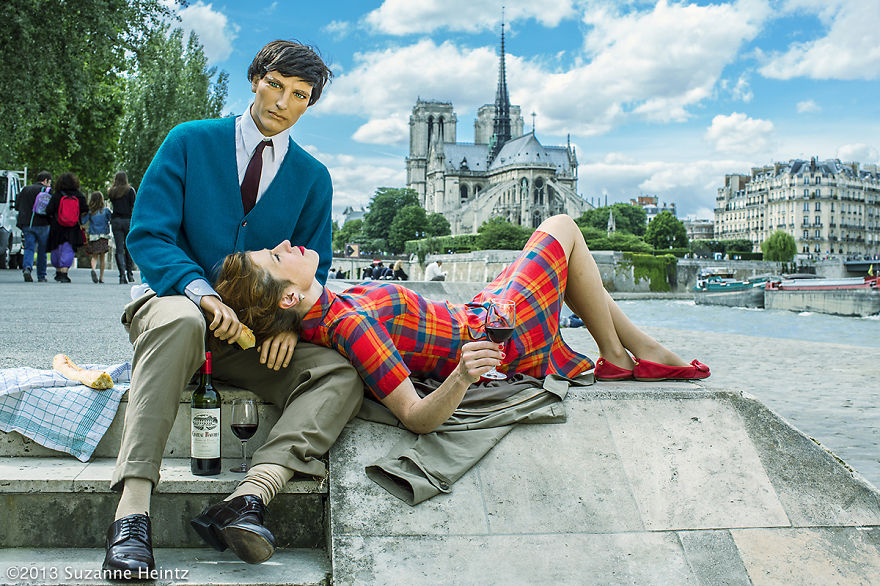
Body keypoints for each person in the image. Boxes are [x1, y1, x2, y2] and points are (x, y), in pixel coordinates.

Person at [102, 40, 364, 575]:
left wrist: (290, 325)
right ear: (254, 80)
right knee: (182, 320)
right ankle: (132, 511)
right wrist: (200, 292)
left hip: (251, 338)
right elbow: (149, 235)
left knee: (339, 371)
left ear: (309, 104)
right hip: (172, 309)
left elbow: (315, 267)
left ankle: (248, 498)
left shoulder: (313, 178)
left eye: (300, 95)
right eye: (275, 85)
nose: (283, 103)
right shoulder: (189, 141)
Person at [214, 215, 710, 436]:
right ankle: (626, 355)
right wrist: (462, 376)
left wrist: (283, 326)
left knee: (566, 264)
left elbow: (295, 314)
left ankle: (630, 353)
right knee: (562, 228)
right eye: (276, 256)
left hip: (480, 312)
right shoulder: (350, 324)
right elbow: (415, 416)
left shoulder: (318, 313)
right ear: (289, 295)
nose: (285, 244)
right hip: (502, 333)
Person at [45, 173, 88, 283]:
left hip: (57, 226)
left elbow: (49, 210)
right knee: (68, 248)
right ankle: (64, 272)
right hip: (73, 226)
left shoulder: (57, 195)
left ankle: (58, 271)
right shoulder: (79, 195)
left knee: (57, 248)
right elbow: (85, 209)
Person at [15, 171, 52, 282]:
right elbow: (51, 208)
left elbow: (17, 205)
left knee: (29, 248)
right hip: (43, 224)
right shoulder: (47, 190)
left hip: (28, 224)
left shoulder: (26, 189)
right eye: (49, 182)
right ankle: (41, 275)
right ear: (45, 180)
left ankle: (27, 268)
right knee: (42, 250)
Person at [107, 171, 137, 284]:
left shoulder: (112, 192)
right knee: (128, 247)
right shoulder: (130, 190)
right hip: (128, 220)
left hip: (116, 221)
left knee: (119, 248)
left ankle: (122, 275)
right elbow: (133, 205)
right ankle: (130, 273)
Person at [81, 191, 112, 283]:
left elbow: (83, 221)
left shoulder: (91, 211)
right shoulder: (106, 211)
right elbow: (111, 219)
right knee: (102, 256)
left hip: (93, 235)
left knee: (94, 255)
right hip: (104, 235)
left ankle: (93, 269)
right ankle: (101, 277)